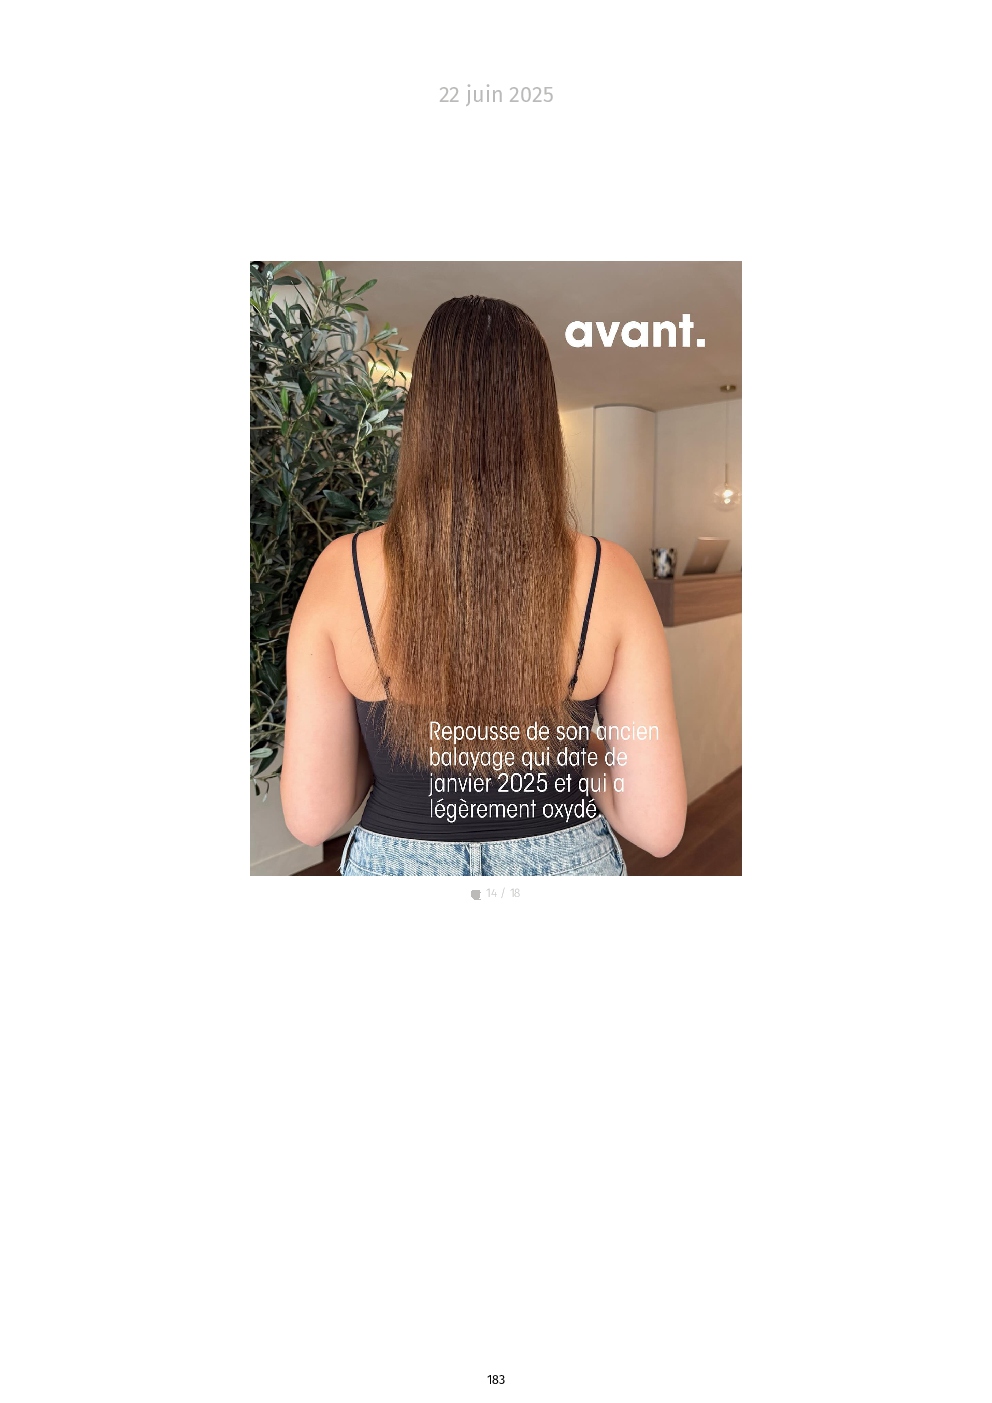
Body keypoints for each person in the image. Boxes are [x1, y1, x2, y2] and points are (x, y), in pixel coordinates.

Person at [280, 295, 686, 876]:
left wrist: (391, 748)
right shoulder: (608, 572)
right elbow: (657, 825)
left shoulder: (342, 569)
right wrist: (579, 747)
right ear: (541, 419)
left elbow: (312, 817)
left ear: (421, 414)